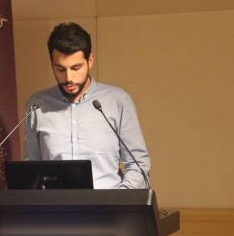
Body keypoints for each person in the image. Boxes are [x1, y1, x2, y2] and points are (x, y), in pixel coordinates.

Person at [24, 22, 150, 189]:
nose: (68, 77)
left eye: (76, 68)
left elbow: (138, 165)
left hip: (108, 203)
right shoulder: (37, 106)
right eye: (60, 69)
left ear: (90, 61)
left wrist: (119, 199)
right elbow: (32, 170)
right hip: (56, 205)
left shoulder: (117, 102)